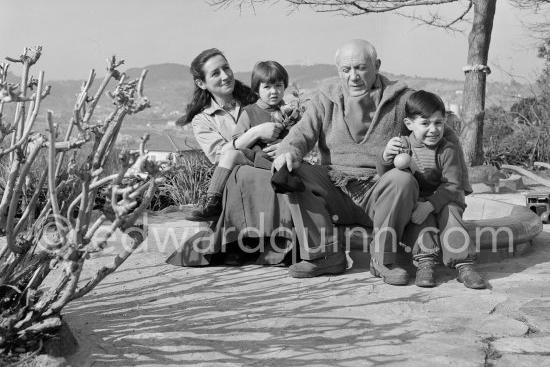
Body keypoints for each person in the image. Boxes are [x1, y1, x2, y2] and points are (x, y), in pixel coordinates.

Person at [272, 39, 471, 284]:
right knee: (294, 170)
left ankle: (383, 260)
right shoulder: (326, 97)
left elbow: (438, 127)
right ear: (338, 71)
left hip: (379, 191)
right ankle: (324, 256)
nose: (353, 76)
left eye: (361, 68)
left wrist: (454, 183)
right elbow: (302, 132)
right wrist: (288, 151)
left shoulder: (401, 99)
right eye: (346, 70)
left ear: (376, 65)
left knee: (402, 179)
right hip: (335, 186)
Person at [167, 49, 294, 267]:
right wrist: (255, 132)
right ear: (201, 83)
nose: (225, 76)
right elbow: (220, 156)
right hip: (233, 177)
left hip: (266, 167)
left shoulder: (261, 99)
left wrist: (285, 144)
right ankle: (217, 210)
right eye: (215, 73)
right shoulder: (203, 120)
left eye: (226, 68)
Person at [377, 90, 486, 289]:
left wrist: (430, 205)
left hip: (446, 198)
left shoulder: (447, 149)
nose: (433, 129)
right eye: (425, 123)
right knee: (419, 217)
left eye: (438, 122)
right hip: (418, 200)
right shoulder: (403, 146)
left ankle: (464, 264)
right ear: (409, 124)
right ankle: (425, 262)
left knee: (451, 214)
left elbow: (453, 185)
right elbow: (386, 176)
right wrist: (385, 157)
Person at [185, 60, 300, 221]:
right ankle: (212, 200)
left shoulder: (290, 112)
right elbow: (233, 144)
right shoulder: (249, 111)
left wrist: (285, 146)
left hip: (282, 160)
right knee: (231, 155)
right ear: (258, 89)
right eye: (267, 87)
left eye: (279, 86)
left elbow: (301, 137)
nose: (273, 91)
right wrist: (257, 132)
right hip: (255, 158)